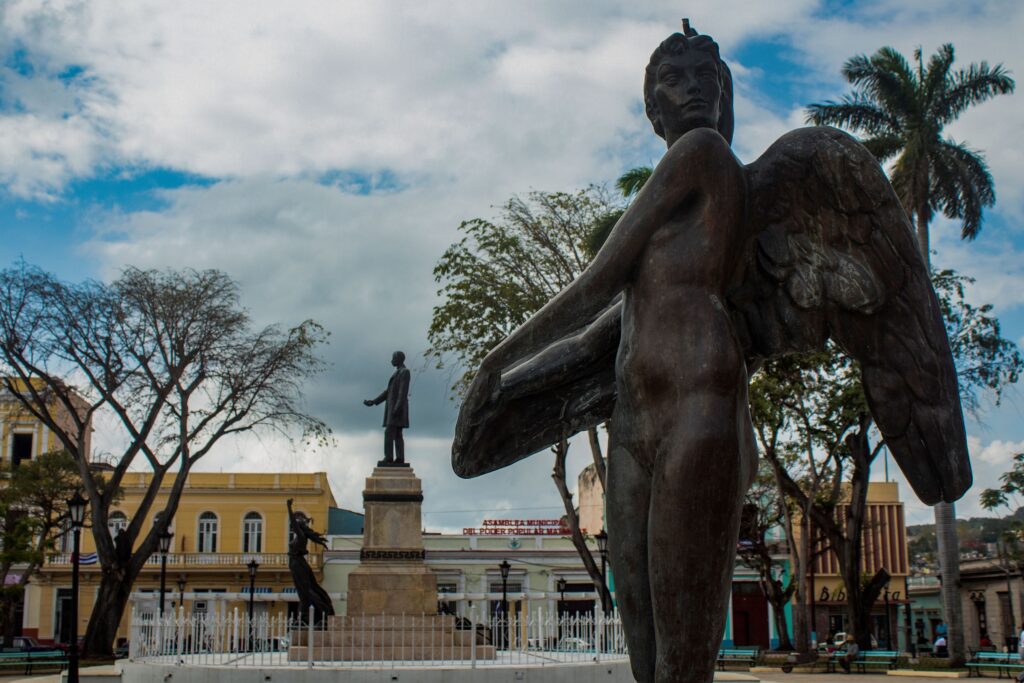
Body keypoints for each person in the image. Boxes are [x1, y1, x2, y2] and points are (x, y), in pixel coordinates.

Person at [363, 350, 411, 466]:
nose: (391, 361)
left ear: (398, 359)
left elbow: (402, 392)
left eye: (393, 358)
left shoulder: (404, 372)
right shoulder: (397, 373)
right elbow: (388, 392)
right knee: (397, 433)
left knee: (390, 432)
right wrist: (374, 401)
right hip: (394, 407)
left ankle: (389, 457)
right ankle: (399, 458)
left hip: (397, 408)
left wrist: (397, 408)